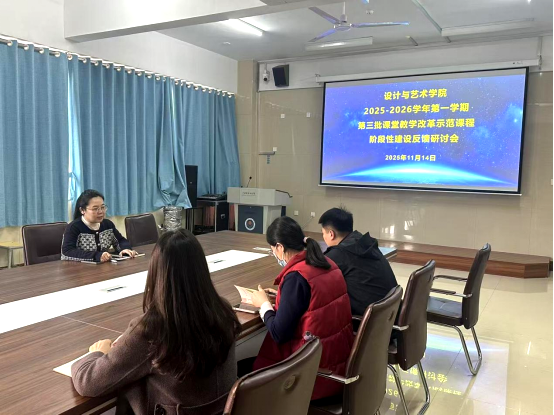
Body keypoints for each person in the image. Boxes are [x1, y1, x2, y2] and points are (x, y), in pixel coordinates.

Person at [71, 229, 242, 415]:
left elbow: (88, 382)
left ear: (156, 273)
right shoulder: (223, 310)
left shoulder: (151, 330)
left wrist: (96, 353)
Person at [249, 216, 354, 401]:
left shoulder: (296, 277)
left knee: (245, 376)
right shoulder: (327, 263)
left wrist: (264, 304)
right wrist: (284, 297)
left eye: (272, 249)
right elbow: (314, 302)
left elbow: (279, 334)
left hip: (312, 378)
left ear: (280, 247)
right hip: (338, 367)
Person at [319, 207, 398, 316]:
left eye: (323, 233)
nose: (323, 237)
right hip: (389, 315)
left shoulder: (339, 254)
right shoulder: (365, 243)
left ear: (331, 234)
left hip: (367, 321)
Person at [62, 189, 137, 263]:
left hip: (103, 267)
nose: (100, 212)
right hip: (79, 268)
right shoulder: (74, 227)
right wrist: (96, 256)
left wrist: (124, 249)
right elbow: (67, 252)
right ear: (82, 210)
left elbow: (120, 240)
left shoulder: (108, 225)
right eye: (95, 209)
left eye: (102, 207)